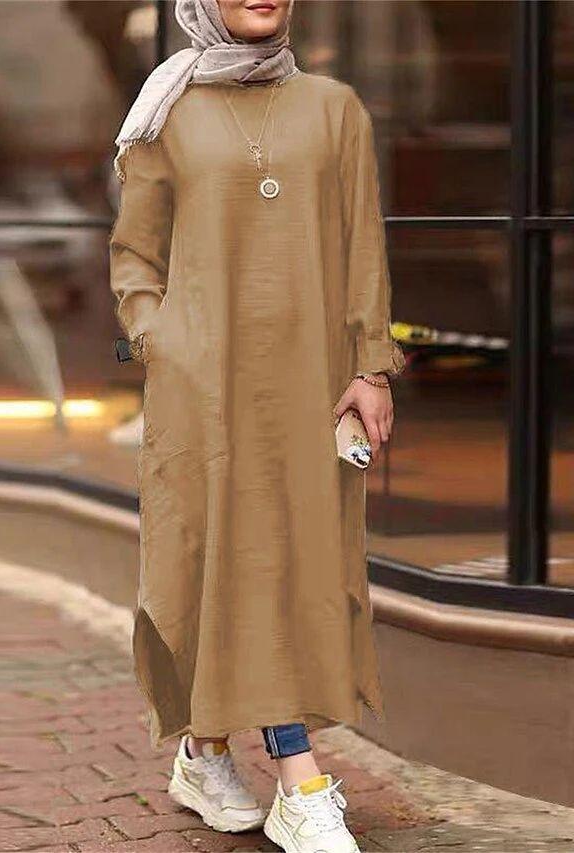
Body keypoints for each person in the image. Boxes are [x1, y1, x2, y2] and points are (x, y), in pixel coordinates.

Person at [109, 1, 404, 850]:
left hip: (311, 385)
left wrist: (371, 364)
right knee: (218, 559)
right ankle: (300, 782)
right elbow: (136, 254)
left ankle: (204, 754)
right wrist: (163, 340)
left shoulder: (335, 108)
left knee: (288, 561)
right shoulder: (167, 111)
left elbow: (363, 246)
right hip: (203, 389)